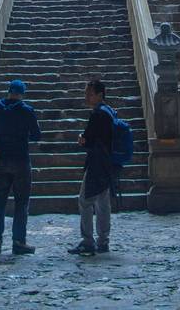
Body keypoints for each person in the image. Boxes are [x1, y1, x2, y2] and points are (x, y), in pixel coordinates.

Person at [0, 79, 42, 256]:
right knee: (21, 202)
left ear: (8, 91)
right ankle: (18, 241)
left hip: (0, 159)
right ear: (22, 93)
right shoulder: (26, 111)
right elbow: (37, 135)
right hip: (21, 160)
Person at [68, 79, 115, 256]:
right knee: (103, 203)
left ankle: (88, 240)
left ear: (99, 95)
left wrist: (82, 139)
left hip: (96, 163)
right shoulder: (109, 112)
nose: (86, 97)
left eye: (89, 93)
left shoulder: (97, 114)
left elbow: (90, 139)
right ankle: (103, 240)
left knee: (85, 201)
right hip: (107, 163)